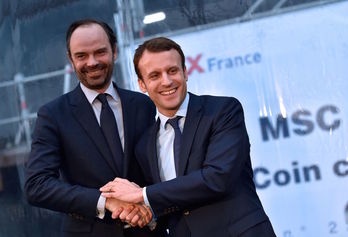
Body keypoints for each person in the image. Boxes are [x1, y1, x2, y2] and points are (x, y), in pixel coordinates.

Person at [101, 37, 277, 237]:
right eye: (155, 75)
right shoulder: (144, 144)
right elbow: (169, 203)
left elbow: (217, 178)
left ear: (185, 72)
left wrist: (142, 194)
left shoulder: (223, 111)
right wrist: (148, 215)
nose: (166, 81)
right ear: (142, 84)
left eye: (172, 71)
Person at [24, 19, 163, 237]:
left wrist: (150, 207)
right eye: (82, 56)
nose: (92, 62)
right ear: (71, 59)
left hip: (147, 231)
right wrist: (106, 201)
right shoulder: (53, 115)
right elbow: (37, 186)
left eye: (100, 52)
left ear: (114, 51)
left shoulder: (143, 105)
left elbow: (158, 171)